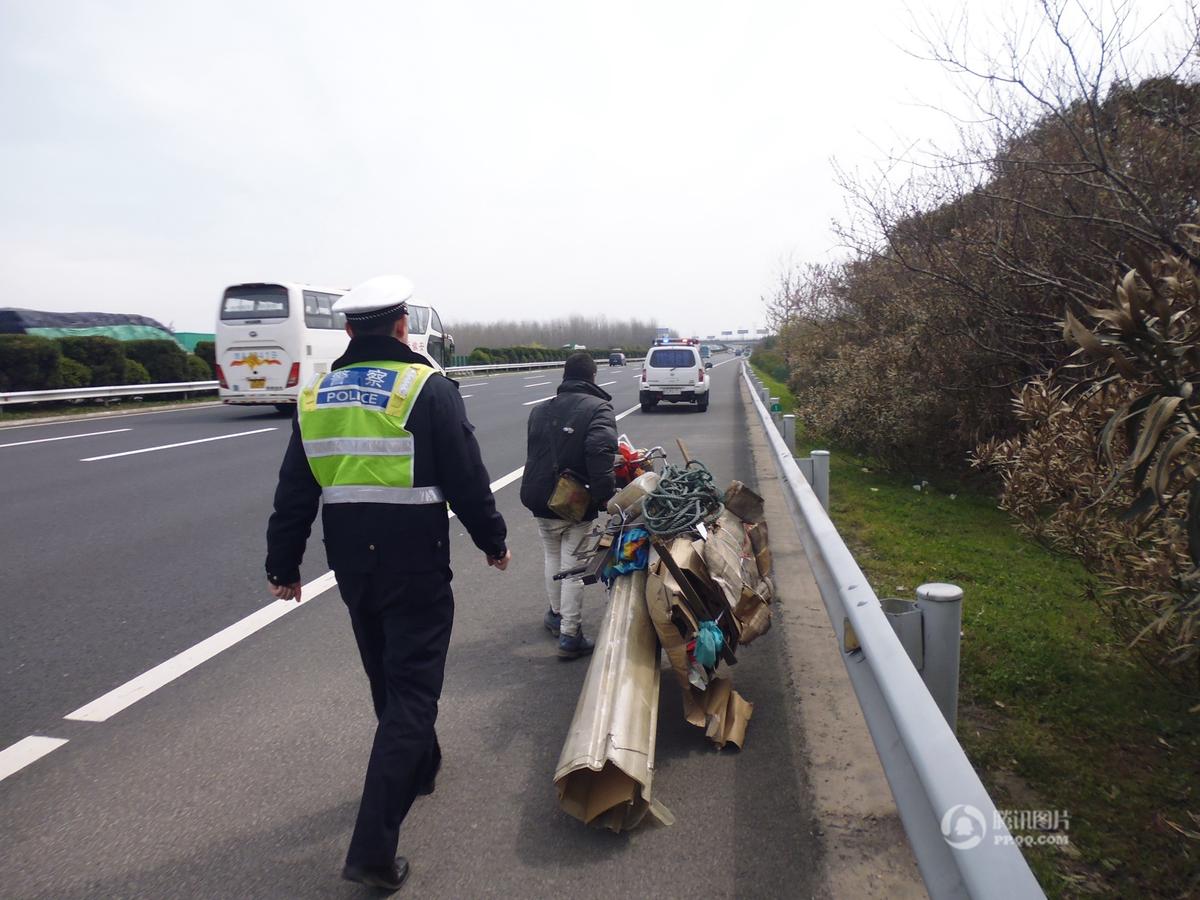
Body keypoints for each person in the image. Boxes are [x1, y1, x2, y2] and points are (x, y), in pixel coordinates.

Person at [264, 274, 510, 892]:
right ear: (402, 327)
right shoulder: (426, 387)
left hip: (352, 563)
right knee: (412, 693)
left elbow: (296, 486)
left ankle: (419, 767)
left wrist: (283, 565)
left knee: (385, 674)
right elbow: (466, 475)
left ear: (348, 331)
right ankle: (373, 850)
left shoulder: (317, 393)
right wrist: (493, 541)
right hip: (415, 561)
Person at [519, 351, 618, 658]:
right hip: (572, 500)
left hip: (538, 497)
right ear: (592, 378)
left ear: (565, 376)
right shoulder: (599, 409)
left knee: (553, 557)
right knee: (573, 566)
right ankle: (570, 635)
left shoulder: (539, 411)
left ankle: (556, 614)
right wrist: (605, 497)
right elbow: (600, 454)